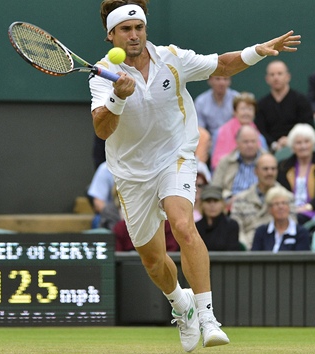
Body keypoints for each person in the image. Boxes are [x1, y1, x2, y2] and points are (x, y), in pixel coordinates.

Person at [90, 1, 300, 350]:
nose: (134, 35)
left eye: (139, 27)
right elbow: (102, 129)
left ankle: (207, 317)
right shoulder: (101, 74)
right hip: (131, 173)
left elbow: (222, 64)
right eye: (125, 30)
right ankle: (181, 304)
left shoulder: (173, 58)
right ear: (111, 35)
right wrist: (117, 97)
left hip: (175, 157)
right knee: (153, 261)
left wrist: (257, 52)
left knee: (184, 226)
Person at [231, 154, 294, 250]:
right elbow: (236, 229)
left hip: (279, 249)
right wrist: (247, 249)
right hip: (249, 249)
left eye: (273, 169)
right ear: (256, 171)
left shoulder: (288, 198)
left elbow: (292, 226)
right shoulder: (241, 199)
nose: (270, 173)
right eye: (265, 169)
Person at [277, 123, 315, 224]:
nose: (303, 146)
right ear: (292, 146)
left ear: (313, 144)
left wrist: (309, 206)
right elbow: (280, 190)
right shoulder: (283, 166)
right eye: (298, 143)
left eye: (307, 142)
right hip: (287, 210)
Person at [255, 60, 314, 152]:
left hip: (298, 147)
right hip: (270, 150)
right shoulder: (261, 104)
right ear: (267, 79)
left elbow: (307, 125)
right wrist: (274, 144)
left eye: (279, 74)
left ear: (288, 77)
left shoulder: (301, 100)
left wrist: (290, 139)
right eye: (272, 74)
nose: (276, 78)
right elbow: (260, 131)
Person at [211, 92, 268, 170]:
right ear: (235, 112)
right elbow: (216, 164)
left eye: (250, 109)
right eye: (243, 109)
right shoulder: (220, 132)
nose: (246, 113)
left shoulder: (260, 138)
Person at [211, 125, 265, 206]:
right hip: (231, 206)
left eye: (253, 141)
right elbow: (215, 189)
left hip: (260, 205)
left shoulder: (267, 161)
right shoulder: (225, 162)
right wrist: (226, 197)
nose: (250, 145)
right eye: (246, 142)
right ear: (237, 142)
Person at [251, 185, 310, 252]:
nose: (281, 207)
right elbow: (255, 258)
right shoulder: (261, 232)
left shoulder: (301, 233)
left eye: (284, 203)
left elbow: (302, 259)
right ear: (269, 209)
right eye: (276, 204)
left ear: (289, 207)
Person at [194, 75, 240, 147]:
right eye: (217, 79)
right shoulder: (201, 101)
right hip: (210, 143)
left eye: (225, 79)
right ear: (210, 81)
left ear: (229, 81)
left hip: (234, 141)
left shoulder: (237, 98)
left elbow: (241, 124)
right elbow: (200, 128)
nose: (222, 83)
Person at [194, 185, 242, 251]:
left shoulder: (231, 225)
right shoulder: (195, 227)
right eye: (208, 201)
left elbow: (232, 254)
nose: (212, 205)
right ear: (201, 204)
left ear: (222, 203)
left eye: (216, 201)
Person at [87, 162, 117, 229]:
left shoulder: (142, 167)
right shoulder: (105, 168)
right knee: (98, 220)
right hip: (113, 212)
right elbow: (98, 202)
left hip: (136, 213)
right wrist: (114, 216)